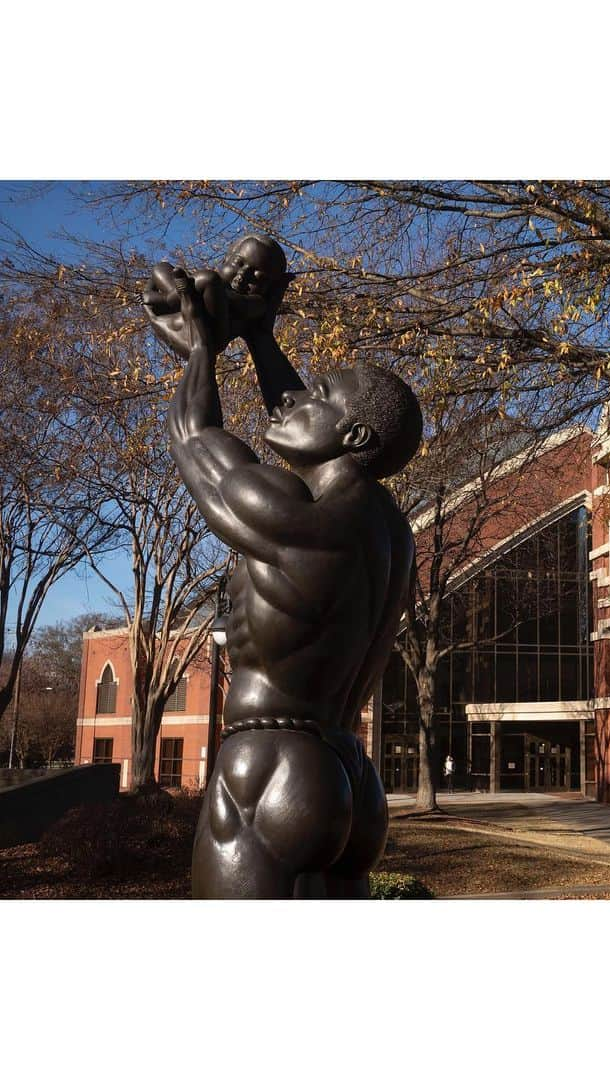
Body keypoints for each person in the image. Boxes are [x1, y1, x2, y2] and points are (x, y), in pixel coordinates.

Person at [156, 261, 422, 899]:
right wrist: (258, 336)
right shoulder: (389, 530)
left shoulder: (302, 521)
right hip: (348, 773)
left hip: (269, 765)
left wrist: (199, 346)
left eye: (318, 392)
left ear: (353, 434)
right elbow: (303, 422)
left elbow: (195, 436)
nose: (296, 397)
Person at [143, 233, 291, 357]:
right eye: (238, 264)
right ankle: (175, 297)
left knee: (207, 278)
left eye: (257, 278)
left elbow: (234, 302)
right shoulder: (216, 284)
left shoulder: (258, 304)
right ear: (225, 260)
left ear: (267, 287)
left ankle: (169, 300)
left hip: (211, 336)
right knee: (162, 267)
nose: (242, 276)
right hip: (182, 325)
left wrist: (204, 289)